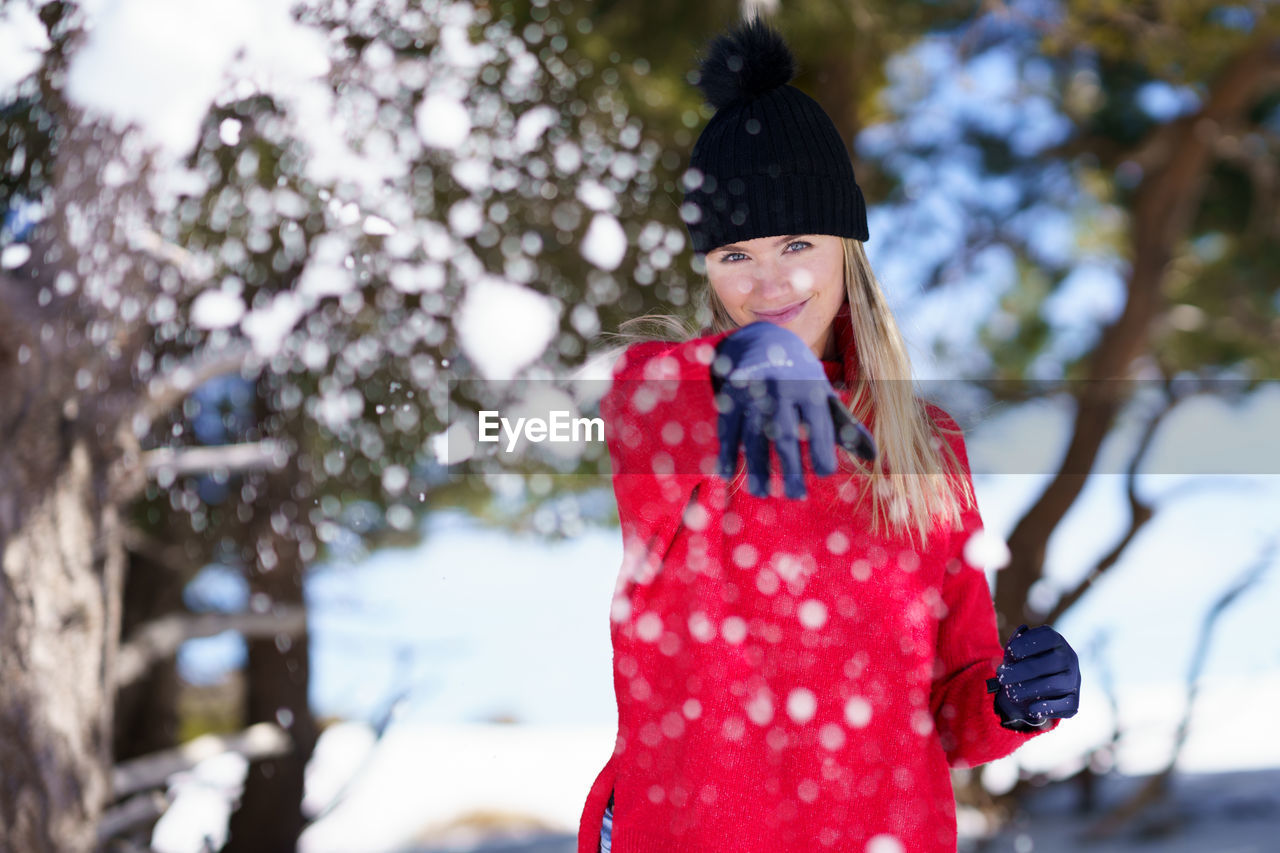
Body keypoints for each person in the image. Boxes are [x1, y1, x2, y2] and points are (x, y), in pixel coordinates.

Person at [579, 16, 1081, 853]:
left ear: (848, 246)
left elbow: (949, 714)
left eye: (798, 243)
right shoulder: (674, 397)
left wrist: (1008, 697)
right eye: (734, 253)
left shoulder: (927, 447)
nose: (769, 281)